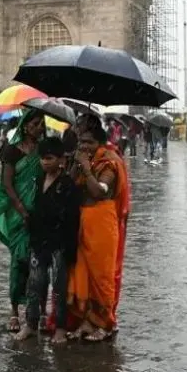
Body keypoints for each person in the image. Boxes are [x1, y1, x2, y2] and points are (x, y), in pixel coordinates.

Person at [14, 137, 80, 343]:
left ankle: (60, 328)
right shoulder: (39, 179)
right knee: (35, 284)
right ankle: (31, 324)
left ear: (61, 160)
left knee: (59, 287)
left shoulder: (68, 184)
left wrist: (70, 249)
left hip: (59, 243)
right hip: (39, 241)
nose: (45, 162)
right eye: (42, 158)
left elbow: (73, 219)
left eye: (50, 158)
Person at [65, 122, 123, 342]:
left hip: (102, 224)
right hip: (82, 223)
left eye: (89, 142)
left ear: (99, 142)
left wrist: (87, 169)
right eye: (81, 141)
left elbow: (99, 191)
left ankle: (107, 324)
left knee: (101, 276)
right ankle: (87, 322)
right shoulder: (83, 160)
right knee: (83, 275)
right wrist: (76, 165)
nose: (84, 146)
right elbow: (70, 185)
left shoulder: (109, 161)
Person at [0, 111, 46, 333]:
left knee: (42, 262)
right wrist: (21, 209)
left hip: (41, 212)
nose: (40, 127)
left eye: (42, 123)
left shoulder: (44, 150)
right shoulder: (11, 151)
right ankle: (14, 310)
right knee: (19, 260)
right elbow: (7, 183)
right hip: (18, 212)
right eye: (35, 124)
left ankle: (41, 308)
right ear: (25, 127)